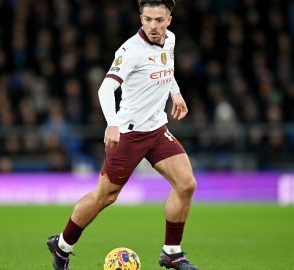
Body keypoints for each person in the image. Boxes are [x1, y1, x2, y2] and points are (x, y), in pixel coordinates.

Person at [47, 1, 199, 269]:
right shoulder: (130, 50)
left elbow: (167, 68)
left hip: (157, 129)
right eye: (148, 19)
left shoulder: (170, 40)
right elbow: (105, 89)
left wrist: (175, 92)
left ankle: (171, 252)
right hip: (129, 134)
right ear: (141, 19)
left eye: (159, 20)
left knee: (186, 184)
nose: (153, 26)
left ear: (169, 21)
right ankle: (62, 246)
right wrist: (112, 123)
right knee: (104, 196)